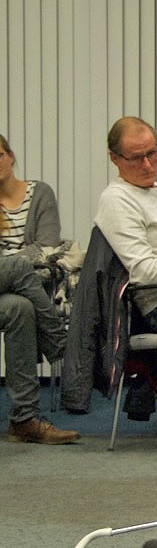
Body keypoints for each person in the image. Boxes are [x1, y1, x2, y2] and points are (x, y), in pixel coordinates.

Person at [0, 134, 77, 444]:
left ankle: (24, 419)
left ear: (10, 155)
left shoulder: (39, 193)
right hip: (18, 275)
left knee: (20, 308)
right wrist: (18, 260)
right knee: (19, 267)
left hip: (16, 288)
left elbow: (45, 248)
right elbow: (29, 256)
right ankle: (59, 341)